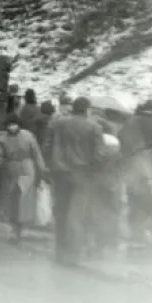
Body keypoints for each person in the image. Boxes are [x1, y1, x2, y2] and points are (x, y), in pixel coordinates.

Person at [43, 96, 106, 266]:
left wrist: (51, 165)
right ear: (87, 109)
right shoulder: (94, 127)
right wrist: (94, 172)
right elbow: (100, 156)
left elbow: (47, 147)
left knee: (61, 213)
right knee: (76, 215)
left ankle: (60, 253)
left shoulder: (57, 123)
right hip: (82, 175)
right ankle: (73, 256)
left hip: (60, 173)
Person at [0, 113, 47, 244]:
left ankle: (19, 229)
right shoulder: (2, 138)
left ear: (19, 124)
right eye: (9, 125)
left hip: (26, 170)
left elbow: (37, 153)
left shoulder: (28, 136)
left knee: (22, 201)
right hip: (10, 171)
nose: (12, 127)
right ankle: (13, 229)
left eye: (14, 124)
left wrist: (42, 169)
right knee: (11, 200)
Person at [118, 99, 152, 243]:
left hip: (131, 167)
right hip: (151, 168)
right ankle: (151, 232)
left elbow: (120, 139)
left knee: (135, 199)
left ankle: (137, 232)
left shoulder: (130, 121)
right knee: (151, 200)